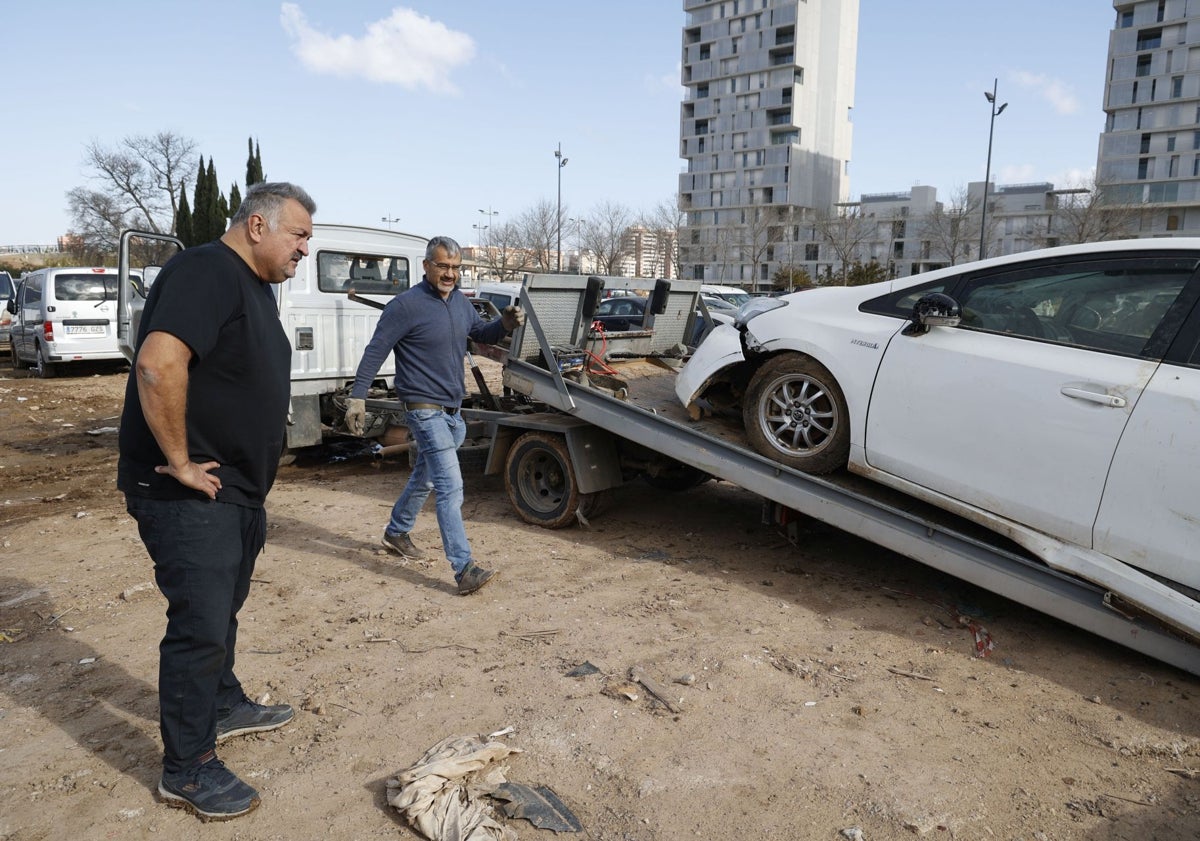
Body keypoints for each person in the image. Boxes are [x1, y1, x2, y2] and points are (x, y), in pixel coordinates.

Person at [118, 182, 316, 821]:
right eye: (299, 236)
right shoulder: (206, 269)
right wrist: (177, 461)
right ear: (257, 226)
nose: (304, 249)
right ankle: (188, 768)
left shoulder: (251, 287)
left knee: (222, 609)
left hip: (234, 496)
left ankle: (223, 703)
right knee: (199, 627)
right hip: (188, 497)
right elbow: (157, 364)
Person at [345, 236, 523, 595]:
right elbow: (375, 350)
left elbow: (480, 334)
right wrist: (357, 396)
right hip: (424, 410)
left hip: (454, 413)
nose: (450, 274)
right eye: (443, 266)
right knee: (450, 487)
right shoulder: (405, 306)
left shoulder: (459, 302)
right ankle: (464, 568)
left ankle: (397, 531)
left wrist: (504, 323)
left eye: (456, 268)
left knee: (426, 477)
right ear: (426, 266)